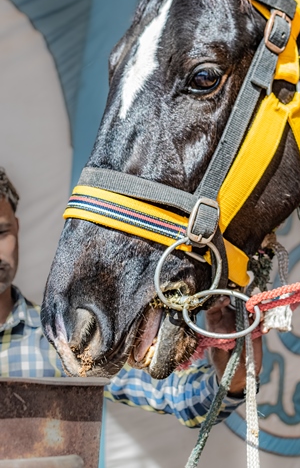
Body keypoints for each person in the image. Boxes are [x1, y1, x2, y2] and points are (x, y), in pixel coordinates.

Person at [0, 167, 262, 428]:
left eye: (2, 232)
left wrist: (235, 373)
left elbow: (180, 396)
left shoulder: (62, 339)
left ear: (18, 228)